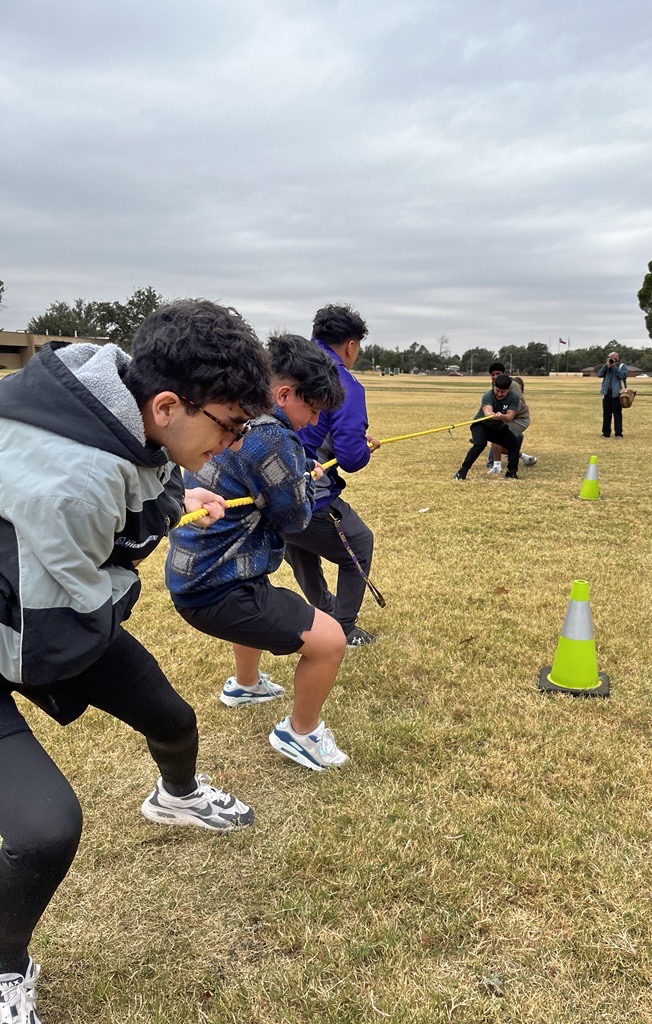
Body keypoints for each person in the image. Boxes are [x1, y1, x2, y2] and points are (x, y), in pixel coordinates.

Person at [0, 299, 273, 1023]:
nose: (233, 444)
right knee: (44, 828)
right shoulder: (76, 483)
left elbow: (142, 476)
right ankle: (3, 968)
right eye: (231, 428)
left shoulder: (103, 398)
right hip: (29, 622)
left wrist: (186, 492)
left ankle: (175, 797)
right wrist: (143, 546)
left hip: (42, 597)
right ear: (167, 403)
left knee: (172, 718)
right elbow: (65, 632)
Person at [166, 334, 351, 773]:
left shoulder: (234, 418)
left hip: (197, 574)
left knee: (258, 587)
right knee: (329, 642)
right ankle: (300, 732)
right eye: (315, 408)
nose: (315, 420)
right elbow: (295, 517)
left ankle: (245, 684)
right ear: (284, 394)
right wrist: (305, 479)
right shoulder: (273, 438)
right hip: (216, 587)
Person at [283, 304, 380, 648]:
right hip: (310, 488)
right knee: (360, 542)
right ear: (351, 345)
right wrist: (365, 447)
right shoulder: (345, 383)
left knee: (296, 538)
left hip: (268, 487)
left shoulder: (285, 370)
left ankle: (322, 611)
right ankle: (342, 627)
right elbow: (352, 458)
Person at [454, 373, 525, 481]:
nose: (500, 394)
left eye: (503, 392)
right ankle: (462, 472)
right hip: (481, 425)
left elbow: (510, 417)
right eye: (497, 390)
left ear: (509, 390)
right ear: (493, 387)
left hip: (498, 427)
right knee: (480, 444)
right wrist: (492, 415)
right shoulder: (488, 395)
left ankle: (511, 473)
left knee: (514, 443)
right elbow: (487, 412)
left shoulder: (514, 398)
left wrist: (502, 416)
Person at [485, 362, 536, 471]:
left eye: (498, 374)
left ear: (504, 373)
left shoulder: (513, 385)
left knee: (497, 435)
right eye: (492, 375)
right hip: (505, 417)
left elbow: (518, 404)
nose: (495, 377)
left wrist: (504, 414)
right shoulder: (495, 385)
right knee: (498, 436)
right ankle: (524, 457)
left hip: (519, 419)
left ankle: (494, 465)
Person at [598, 350, 628, 438]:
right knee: (606, 414)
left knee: (617, 414)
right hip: (606, 393)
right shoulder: (607, 367)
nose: (612, 360)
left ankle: (618, 434)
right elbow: (599, 374)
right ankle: (606, 433)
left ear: (617, 358)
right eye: (610, 358)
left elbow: (622, 376)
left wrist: (614, 367)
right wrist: (606, 365)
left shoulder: (622, 366)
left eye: (613, 358)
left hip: (617, 394)